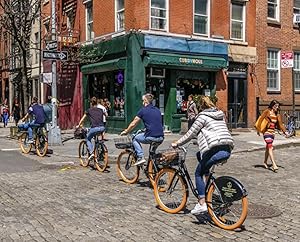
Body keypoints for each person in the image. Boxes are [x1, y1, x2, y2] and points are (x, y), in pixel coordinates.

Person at [171, 96, 234, 215]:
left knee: (197, 173)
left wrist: (177, 143)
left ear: (200, 107)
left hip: (214, 150)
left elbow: (190, 133)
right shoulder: (220, 115)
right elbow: (215, 131)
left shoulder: (202, 117)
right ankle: (208, 183)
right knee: (199, 154)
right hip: (226, 149)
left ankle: (201, 203)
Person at [120, 93, 164, 166]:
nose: (142, 102)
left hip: (151, 136)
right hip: (161, 137)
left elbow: (134, 123)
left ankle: (140, 157)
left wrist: (126, 131)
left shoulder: (143, 110)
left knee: (134, 138)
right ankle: (154, 171)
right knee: (152, 154)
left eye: (143, 101)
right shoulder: (157, 110)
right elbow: (155, 123)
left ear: (145, 101)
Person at [255, 100, 288, 172]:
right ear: (272, 106)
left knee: (268, 147)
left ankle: (265, 162)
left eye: (278, 106)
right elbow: (260, 119)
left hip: (272, 133)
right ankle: (274, 164)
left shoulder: (277, 114)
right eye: (276, 106)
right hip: (266, 132)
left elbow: (280, 124)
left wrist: (285, 132)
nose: (277, 107)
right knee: (270, 147)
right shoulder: (267, 111)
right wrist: (258, 129)